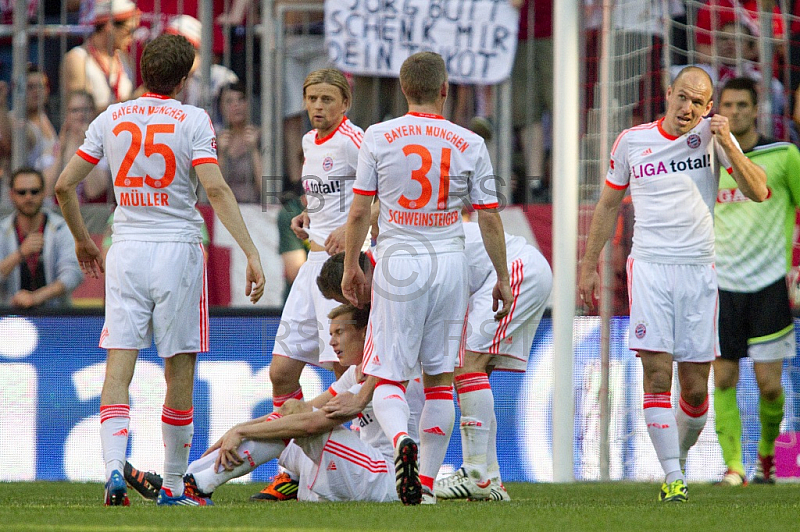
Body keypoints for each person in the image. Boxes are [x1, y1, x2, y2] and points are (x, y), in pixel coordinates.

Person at [54, 33, 265, 507]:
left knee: (119, 365)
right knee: (179, 368)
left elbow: (65, 186)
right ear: (187, 77)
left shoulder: (111, 117)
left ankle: (112, 470)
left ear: (142, 71)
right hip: (177, 250)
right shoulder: (193, 120)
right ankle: (172, 485)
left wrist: (83, 240)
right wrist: (250, 251)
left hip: (126, 248)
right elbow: (214, 189)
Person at [577, 66, 767, 503]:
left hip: (698, 271)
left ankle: (675, 460)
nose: (687, 108)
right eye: (682, 97)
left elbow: (758, 191)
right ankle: (673, 478)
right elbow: (607, 205)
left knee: (697, 391)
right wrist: (589, 264)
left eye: (698, 103)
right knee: (657, 374)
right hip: (649, 267)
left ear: (708, 107)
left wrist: (728, 146)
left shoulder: (714, 139)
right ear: (668, 93)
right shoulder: (632, 141)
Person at [339, 51, 512, 505]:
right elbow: (490, 219)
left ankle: (400, 442)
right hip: (449, 260)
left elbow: (359, 210)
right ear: (445, 90)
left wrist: (351, 264)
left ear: (402, 88)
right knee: (439, 376)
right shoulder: (469, 142)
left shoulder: (377, 136)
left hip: (398, 257)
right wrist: (500, 276)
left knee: (388, 374)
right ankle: (429, 485)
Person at [318, 219, 552, 501]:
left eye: (348, 295)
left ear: (353, 279)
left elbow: (387, 362)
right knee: (469, 375)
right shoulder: (394, 252)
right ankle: (490, 479)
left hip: (513, 269)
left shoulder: (391, 272)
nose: (356, 305)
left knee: (467, 367)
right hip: (504, 271)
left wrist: (361, 397)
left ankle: (473, 474)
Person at [124, 303, 424, 503]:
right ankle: (183, 482)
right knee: (292, 410)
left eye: (339, 333)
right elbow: (298, 411)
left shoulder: (382, 374)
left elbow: (312, 423)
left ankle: (195, 486)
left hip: (385, 479)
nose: (332, 342)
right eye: (329, 334)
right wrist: (238, 428)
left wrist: (244, 433)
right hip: (361, 468)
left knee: (304, 426)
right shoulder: (354, 375)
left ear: (363, 332)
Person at [250, 67, 362, 500]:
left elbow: (380, 198)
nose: (317, 107)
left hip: (342, 268)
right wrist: (306, 214)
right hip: (313, 265)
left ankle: (350, 468)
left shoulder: (357, 141)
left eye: (327, 100)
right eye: (312, 99)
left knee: (344, 374)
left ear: (344, 103)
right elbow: (326, 197)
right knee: (281, 373)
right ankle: (292, 467)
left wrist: (352, 236)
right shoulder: (307, 141)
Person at [713, 77, 800, 486]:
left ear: (756, 108)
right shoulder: (708, 160)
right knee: (723, 378)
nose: (734, 112)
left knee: (769, 388)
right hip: (720, 287)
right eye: (727, 105)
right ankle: (733, 467)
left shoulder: (783, 155)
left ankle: (769, 455)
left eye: (742, 104)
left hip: (768, 285)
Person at [0, 167, 82, 308]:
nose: (28, 197)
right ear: (11, 194)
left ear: (44, 193)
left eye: (34, 191)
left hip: (55, 316)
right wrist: (20, 254)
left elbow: (73, 275)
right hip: (8, 318)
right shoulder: (2, 230)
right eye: (22, 192)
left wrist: (36, 297)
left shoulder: (61, 228)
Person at [62, 0, 140, 111]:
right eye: (129, 31)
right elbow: (82, 113)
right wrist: (134, 100)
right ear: (109, 26)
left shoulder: (123, 57)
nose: (133, 37)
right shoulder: (77, 59)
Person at [47, 91, 113, 204]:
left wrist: (87, 146)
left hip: (94, 216)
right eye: (75, 110)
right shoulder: (54, 148)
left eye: (86, 110)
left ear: (94, 112)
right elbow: (48, 191)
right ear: (67, 114)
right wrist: (61, 153)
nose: (80, 115)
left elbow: (93, 191)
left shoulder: (105, 147)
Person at [216, 82, 262, 203]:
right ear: (221, 107)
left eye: (241, 99)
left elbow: (266, 189)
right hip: (225, 210)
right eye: (229, 101)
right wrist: (221, 153)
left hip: (256, 210)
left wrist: (254, 150)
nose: (236, 105)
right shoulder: (217, 140)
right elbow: (215, 190)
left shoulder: (261, 137)